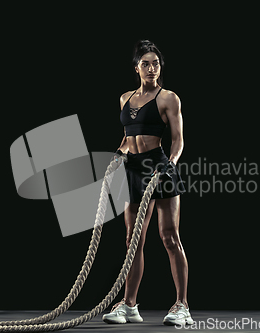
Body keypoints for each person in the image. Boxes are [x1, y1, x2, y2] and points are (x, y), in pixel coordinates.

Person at [102, 40, 193, 326]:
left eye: (155, 63)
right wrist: (118, 156)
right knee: (133, 240)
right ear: (136, 67)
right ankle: (129, 305)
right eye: (146, 63)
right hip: (134, 169)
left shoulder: (169, 98)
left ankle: (182, 306)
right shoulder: (125, 98)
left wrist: (170, 165)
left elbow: (177, 140)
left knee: (169, 236)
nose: (152, 68)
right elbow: (129, 137)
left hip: (160, 167)